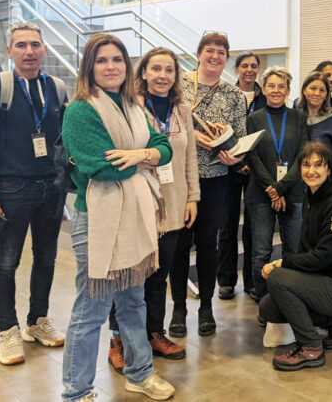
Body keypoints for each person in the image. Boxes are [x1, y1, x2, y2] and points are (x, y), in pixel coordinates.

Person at [61, 34, 175, 401]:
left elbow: (164, 147)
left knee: (133, 302)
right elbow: (101, 167)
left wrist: (139, 155)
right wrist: (145, 157)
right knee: (91, 309)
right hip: (98, 220)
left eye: (117, 59)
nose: (111, 66)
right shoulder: (81, 111)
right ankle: (77, 391)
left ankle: (139, 373)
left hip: (135, 217)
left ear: (127, 66)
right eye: (102, 60)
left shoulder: (133, 106)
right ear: (89, 67)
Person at [0, 22, 67, 366]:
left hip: (51, 189)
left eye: (35, 44)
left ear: (44, 49)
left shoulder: (56, 89)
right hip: (12, 189)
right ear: (10, 51)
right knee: (7, 261)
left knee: (47, 258)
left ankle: (37, 320)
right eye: (21, 45)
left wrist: (66, 182)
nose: (29, 51)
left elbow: (62, 141)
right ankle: (7, 330)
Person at [106, 48, 200, 371]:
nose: (162, 75)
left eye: (169, 70)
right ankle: (118, 339)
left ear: (176, 76)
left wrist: (193, 197)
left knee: (160, 276)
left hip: (174, 203)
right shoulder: (130, 107)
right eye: (156, 69)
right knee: (130, 276)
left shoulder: (182, 111)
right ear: (143, 73)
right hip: (139, 201)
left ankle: (154, 333)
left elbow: (189, 158)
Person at [259, 141, 332, 371]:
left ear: (329, 170)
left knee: (278, 279)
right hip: (324, 280)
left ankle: (310, 347)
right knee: (268, 307)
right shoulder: (311, 197)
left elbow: (323, 256)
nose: (311, 171)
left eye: (319, 165)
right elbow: (307, 250)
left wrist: (282, 264)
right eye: (306, 165)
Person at [170, 32, 246, 337]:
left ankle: (205, 308)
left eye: (221, 52)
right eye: (210, 50)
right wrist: (193, 136)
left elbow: (239, 137)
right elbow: (163, 124)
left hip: (216, 179)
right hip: (179, 179)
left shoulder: (234, 94)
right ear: (199, 53)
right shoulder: (179, 85)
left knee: (207, 245)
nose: (215, 56)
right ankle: (178, 308)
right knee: (179, 245)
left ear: (226, 58)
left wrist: (233, 155)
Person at [246, 67, 308, 301]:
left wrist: (280, 188)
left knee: (294, 249)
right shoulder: (254, 119)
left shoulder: (299, 117)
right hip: (261, 193)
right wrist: (272, 188)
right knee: (261, 251)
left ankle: (291, 297)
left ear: (288, 90)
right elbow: (252, 157)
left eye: (281, 86)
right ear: (263, 88)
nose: (276, 90)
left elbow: (302, 156)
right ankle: (264, 298)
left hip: (292, 192)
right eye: (271, 85)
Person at [216, 51, 265, 301]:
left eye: (253, 66)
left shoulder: (265, 98)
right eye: (244, 65)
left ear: (258, 69)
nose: (249, 70)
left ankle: (252, 281)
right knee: (227, 226)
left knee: (254, 227)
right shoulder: (226, 95)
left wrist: (250, 162)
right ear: (237, 69)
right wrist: (237, 161)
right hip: (229, 168)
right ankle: (226, 280)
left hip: (257, 170)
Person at [297, 71, 332, 182]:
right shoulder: (295, 117)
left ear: (327, 94)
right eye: (313, 88)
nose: (317, 93)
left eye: (322, 90)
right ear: (304, 90)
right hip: (299, 183)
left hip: (328, 183)